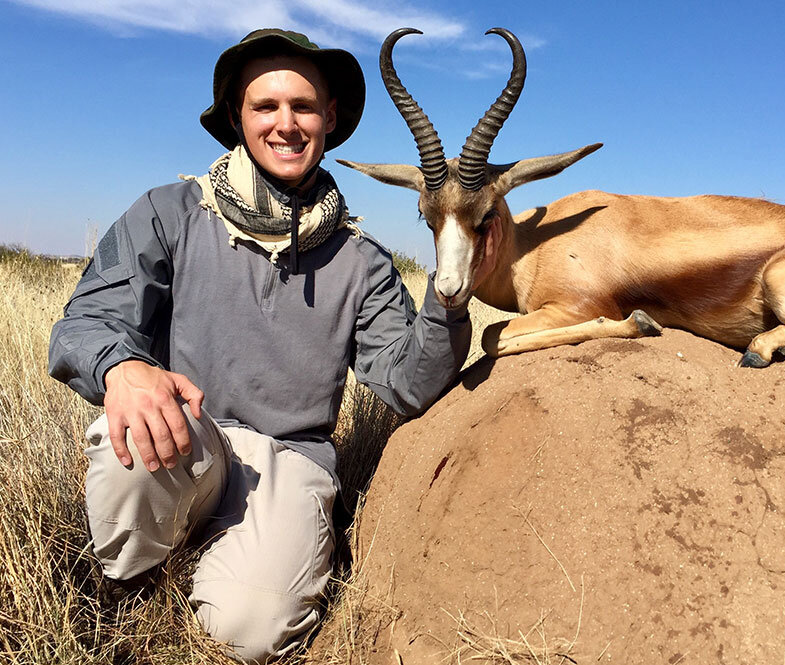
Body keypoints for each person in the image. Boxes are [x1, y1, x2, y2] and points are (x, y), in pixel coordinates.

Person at [49, 29, 499, 663]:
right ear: (238, 116)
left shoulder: (363, 261)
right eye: (266, 107)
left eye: (304, 107)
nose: (286, 124)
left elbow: (408, 383)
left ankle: (224, 567)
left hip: (291, 461)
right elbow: (83, 323)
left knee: (255, 632)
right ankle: (130, 586)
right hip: (191, 436)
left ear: (330, 119)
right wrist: (121, 367)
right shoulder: (169, 212)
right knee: (128, 433)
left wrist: (451, 298)